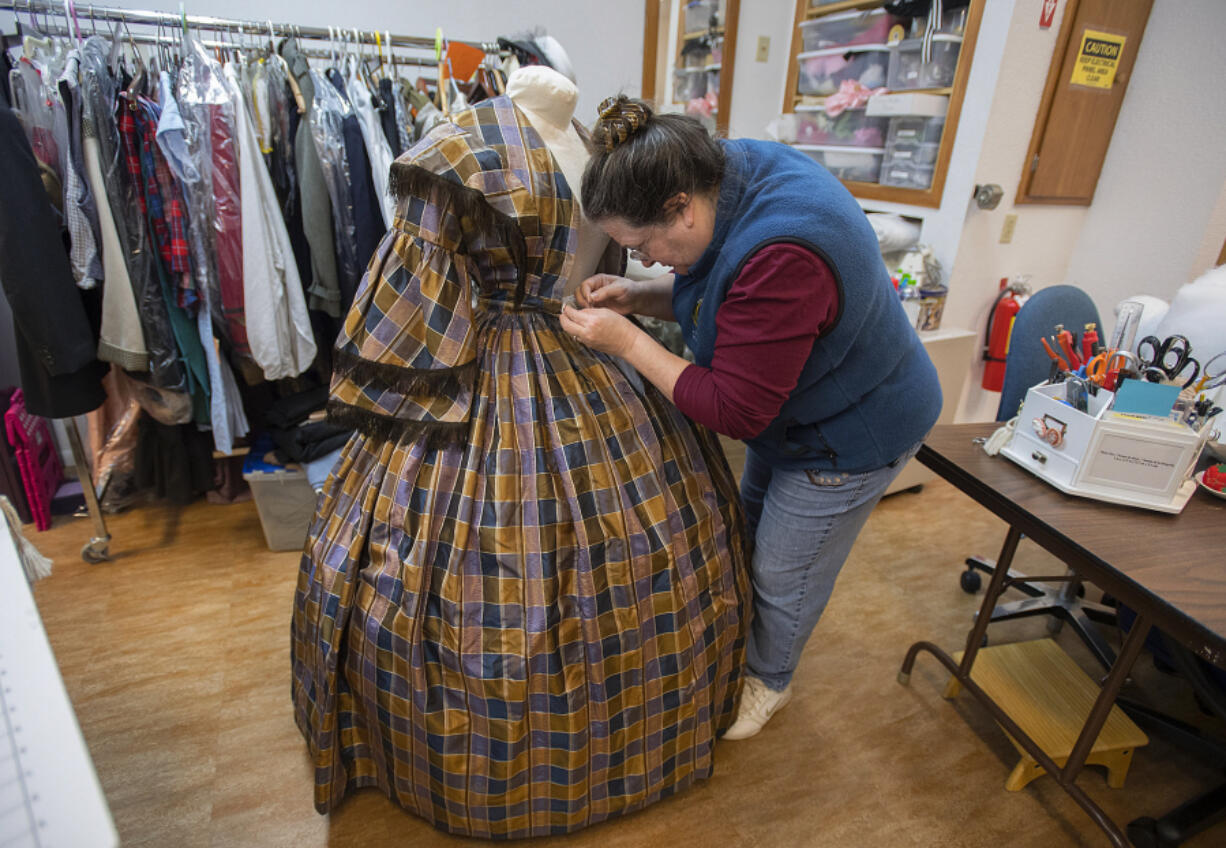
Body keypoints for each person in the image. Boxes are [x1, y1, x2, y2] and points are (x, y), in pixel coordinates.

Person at [290, 73, 750, 837]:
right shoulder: (461, 150)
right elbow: (418, 288)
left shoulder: (605, 149)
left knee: (634, 552)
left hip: (595, 348)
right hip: (494, 370)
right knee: (491, 567)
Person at [561, 96, 942, 740]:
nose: (647, 259)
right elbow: (724, 300)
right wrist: (642, 298)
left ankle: (769, 679)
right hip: (794, 403)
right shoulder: (727, 172)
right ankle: (752, 653)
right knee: (751, 526)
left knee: (783, 570)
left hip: (851, 429)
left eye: (643, 246)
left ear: (679, 205)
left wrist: (627, 342)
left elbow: (735, 407)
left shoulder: (784, 253)